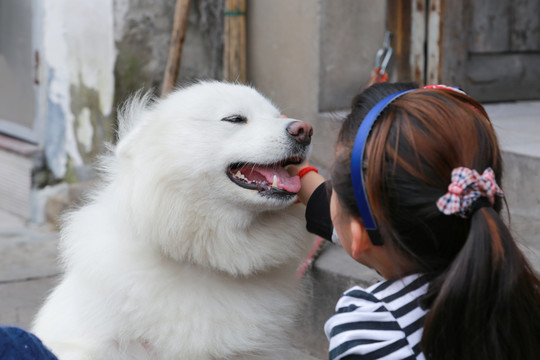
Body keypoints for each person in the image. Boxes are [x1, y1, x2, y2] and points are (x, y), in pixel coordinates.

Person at [289, 82, 540, 360]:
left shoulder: (372, 331)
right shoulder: (519, 294)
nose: (331, 192)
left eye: (336, 185)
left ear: (358, 234)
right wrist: (299, 175)